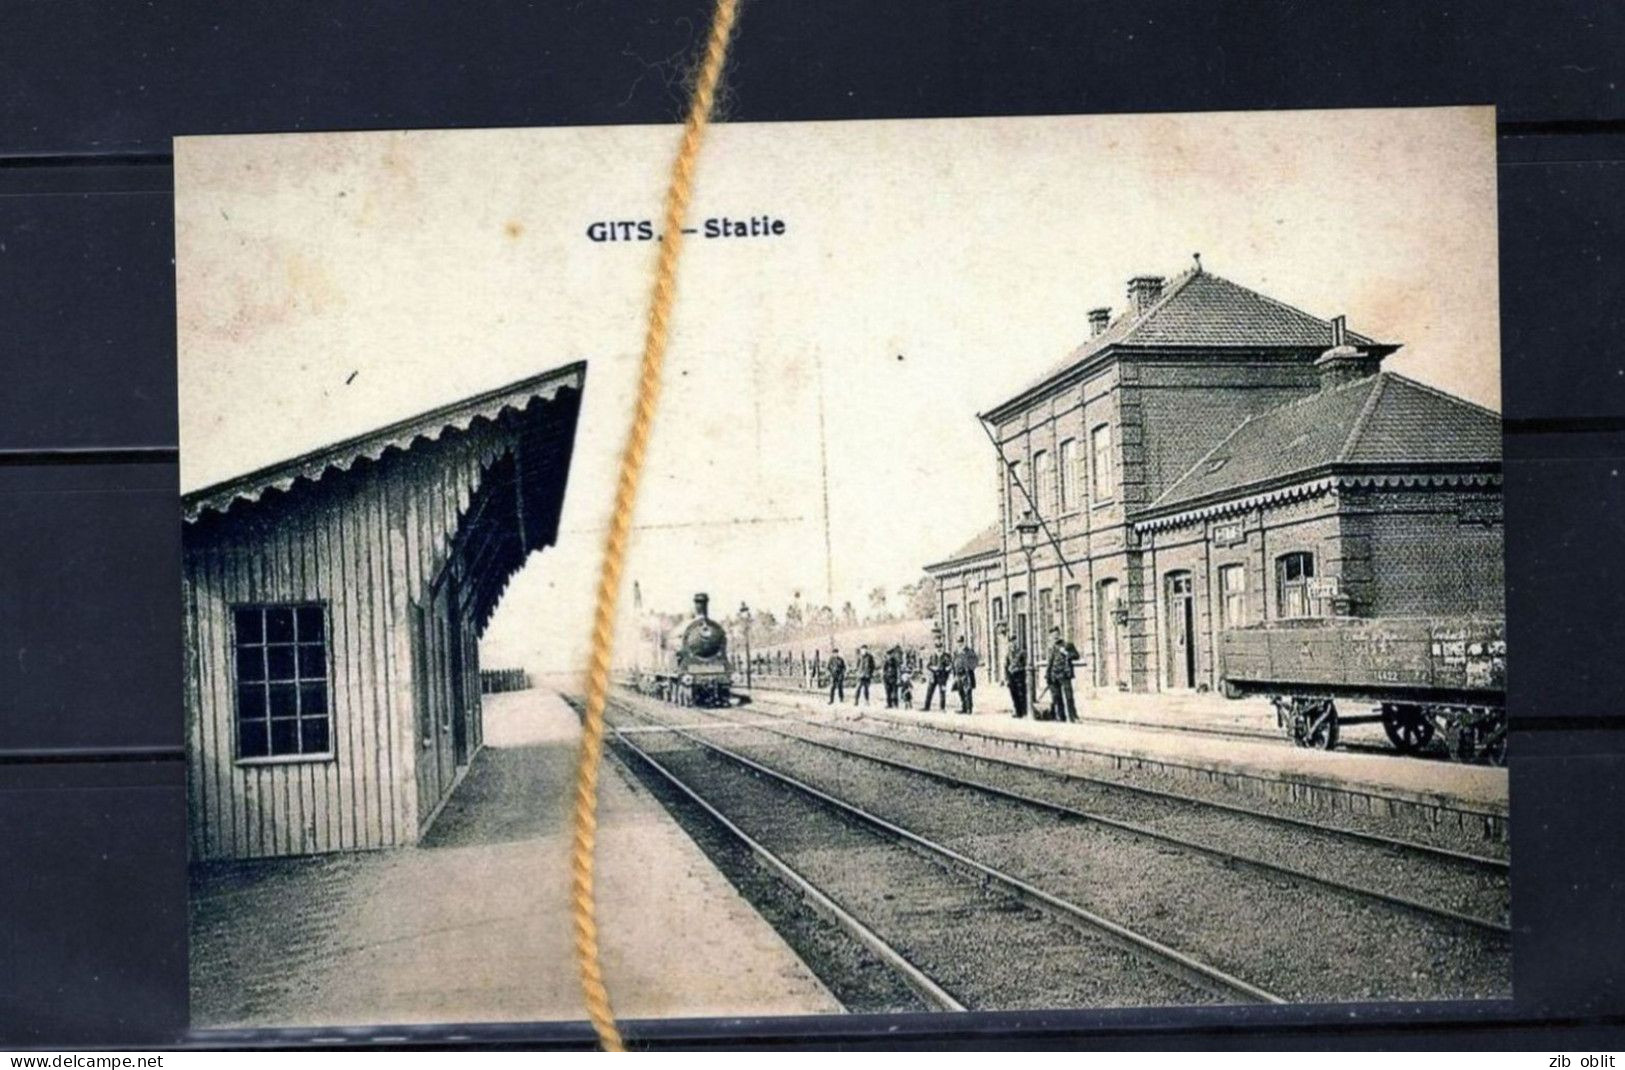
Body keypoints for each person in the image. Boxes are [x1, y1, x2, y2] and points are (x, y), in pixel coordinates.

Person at [1046, 626, 1082, 723]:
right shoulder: (1051, 648)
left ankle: (1073, 717)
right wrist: (1047, 676)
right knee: (1057, 698)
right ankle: (1061, 718)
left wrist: (1066, 653)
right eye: (1053, 636)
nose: (1055, 637)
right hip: (1054, 675)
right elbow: (1050, 663)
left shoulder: (1067, 645)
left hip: (1065, 674)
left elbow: (1077, 656)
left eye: (1056, 635)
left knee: (1069, 697)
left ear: (1059, 634)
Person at [922, 641, 951, 711]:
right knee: (929, 692)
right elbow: (928, 666)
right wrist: (933, 667)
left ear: (942, 648)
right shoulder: (932, 656)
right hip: (933, 676)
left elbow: (950, 665)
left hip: (942, 677)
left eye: (940, 647)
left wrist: (946, 669)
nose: (938, 649)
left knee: (942, 692)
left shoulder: (946, 656)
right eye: (937, 647)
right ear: (935, 648)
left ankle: (942, 708)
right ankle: (926, 707)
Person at [952, 638, 978, 714]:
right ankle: (964, 708)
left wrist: (969, 668)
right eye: (958, 642)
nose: (959, 644)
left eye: (961, 642)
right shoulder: (956, 652)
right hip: (958, 674)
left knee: (967, 691)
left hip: (966, 674)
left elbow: (975, 660)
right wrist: (954, 673)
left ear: (964, 643)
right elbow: (954, 662)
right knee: (960, 691)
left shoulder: (969, 651)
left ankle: (969, 708)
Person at [1004, 637, 1028, 718]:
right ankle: (1017, 711)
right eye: (1011, 643)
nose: (1013, 645)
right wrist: (1006, 678)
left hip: (1019, 675)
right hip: (1011, 676)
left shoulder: (1021, 653)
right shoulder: (1008, 654)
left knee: (1021, 693)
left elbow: (1025, 664)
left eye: (1014, 643)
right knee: (1014, 694)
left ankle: (1023, 711)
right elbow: (1006, 666)